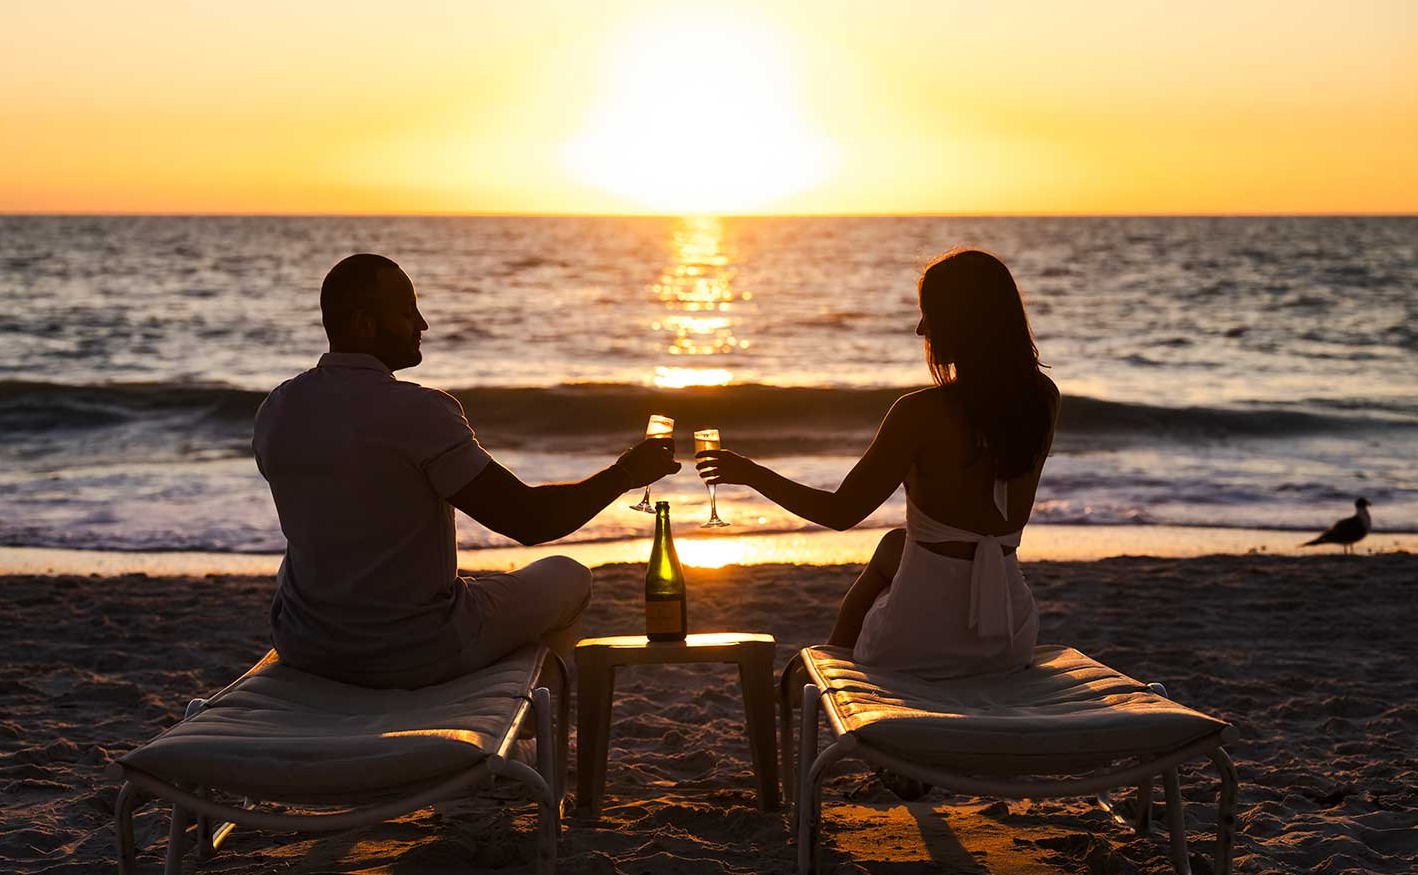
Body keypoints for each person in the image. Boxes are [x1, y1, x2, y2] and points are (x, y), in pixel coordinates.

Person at [253, 253, 679, 690]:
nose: (422, 324)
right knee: (570, 576)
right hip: (413, 651)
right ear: (363, 325)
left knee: (472, 588)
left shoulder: (277, 408)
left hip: (306, 646)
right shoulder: (420, 412)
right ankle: (525, 718)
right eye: (406, 312)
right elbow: (532, 521)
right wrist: (626, 472)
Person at [697, 248, 1059, 678]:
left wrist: (749, 473)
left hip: (921, 643)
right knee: (893, 545)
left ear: (965, 322)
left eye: (931, 314)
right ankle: (831, 658)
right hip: (1009, 638)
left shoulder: (918, 414)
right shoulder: (1044, 400)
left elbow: (839, 513)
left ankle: (832, 667)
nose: (921, 329)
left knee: (889, 560)